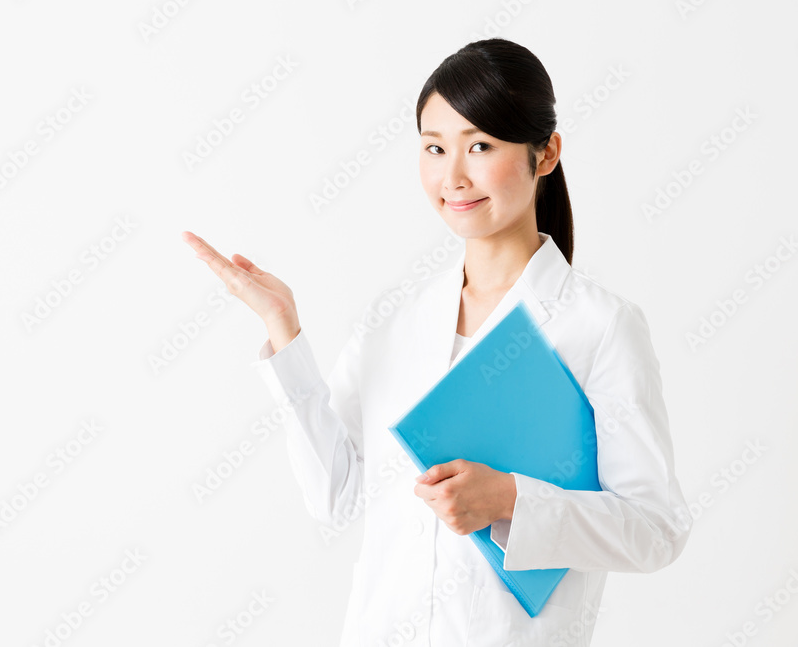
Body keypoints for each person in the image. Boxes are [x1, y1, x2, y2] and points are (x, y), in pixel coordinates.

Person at [181, 38, 691, 647]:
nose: (452, 176)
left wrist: (510, 499)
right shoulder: (395, 321)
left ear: (546, 153)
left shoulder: (598, 326)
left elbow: (656, 529)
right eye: (433, 148)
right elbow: (337, 495)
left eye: (480, 146)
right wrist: (283, 328)